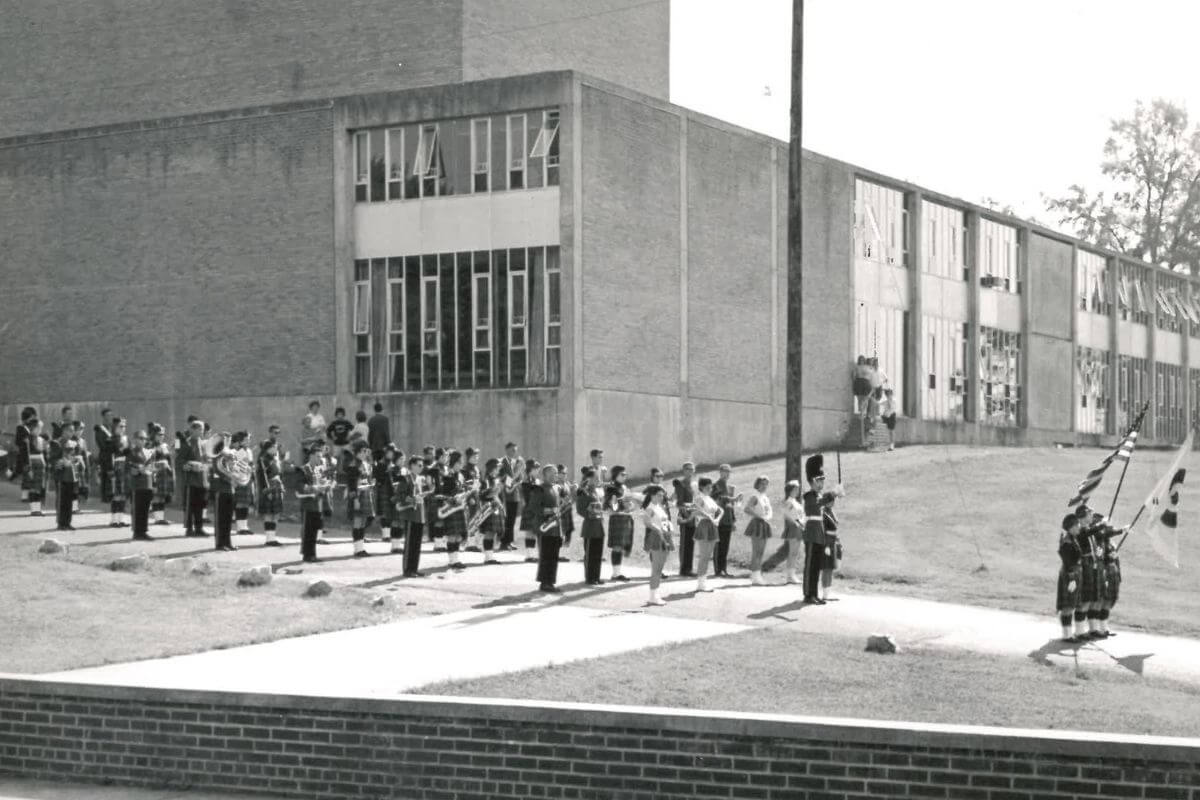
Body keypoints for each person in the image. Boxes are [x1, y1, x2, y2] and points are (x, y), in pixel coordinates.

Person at [801, 455, 843, 604]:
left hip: (818, 534)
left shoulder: (818, 495)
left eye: (822, 481)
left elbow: (826, 500)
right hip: (811, 534)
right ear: (813, 481)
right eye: (819, 481)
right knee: (810, 566)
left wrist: (836, 494)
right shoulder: (809, 496)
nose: (821, 484)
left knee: (816, 566)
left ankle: (814, 594)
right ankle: (808, 594)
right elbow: (819, 502)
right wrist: (833, 493)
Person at [530, 464, 565, 592]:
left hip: (555, 527)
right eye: (551, 474)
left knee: (554, 556)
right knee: (545, 555)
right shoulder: (539, 488)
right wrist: (550, 510)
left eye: (555, 474)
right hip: (544, 527)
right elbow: (534, 507)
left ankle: (551, 582)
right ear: (544, 475)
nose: (554, 476)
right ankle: (544, 583)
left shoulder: (557, 488)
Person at [436, 450, 469, 570]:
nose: (461, 465)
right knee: (452, 535)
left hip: (459, 507)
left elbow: (462, 489)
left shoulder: (460, 475)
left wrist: (465, 494)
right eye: (459, 462)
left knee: (458, 535)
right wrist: (454, 498)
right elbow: (443, 494)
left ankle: (456, 559)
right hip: (451, 508)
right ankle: (452, 561)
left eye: (461, 462)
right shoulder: (447, 475)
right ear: (454, 462)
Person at [642, 485, 674, 606]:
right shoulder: (651, 507)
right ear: (652, 495)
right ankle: (652, 597)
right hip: (656, 538)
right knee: (656, 569)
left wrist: (670, 529)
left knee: (659, 568)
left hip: (664, 537)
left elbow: (665, 521)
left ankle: (655, 594)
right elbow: (646, 521)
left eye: (662, 495)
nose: (662, 497)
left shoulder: (658, 506)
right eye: (659, 495)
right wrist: (658, 530)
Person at [396, 455, 428, 575]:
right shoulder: (405, 479)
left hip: (419, 515)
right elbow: (399, 496)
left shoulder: (420, 479)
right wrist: (413, 500)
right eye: (419, 465)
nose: (421, 467)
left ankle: (414, 568)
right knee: (409, 544)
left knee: (417, 544)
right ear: (412, 465)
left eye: (422, 465)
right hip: (410, 514)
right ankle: (407, 569)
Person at [296, 445, 328, 564]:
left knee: (315, 530)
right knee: (307, 530)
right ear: (311, 456)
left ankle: (312, 553)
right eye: (318, 456)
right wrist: (313, 488)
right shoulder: (303, 469)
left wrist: (326, 486)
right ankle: (306, 554)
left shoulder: (319, 470)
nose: (320, 459)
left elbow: (322, 483)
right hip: (308, 504)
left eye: (321, 456)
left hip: (317, 504)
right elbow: (300, 486)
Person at [1056, 513, 1084, 642]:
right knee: (1068, 606)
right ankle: (1066, 635)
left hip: (1075, 573)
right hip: (1069, 575)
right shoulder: (1067, 542)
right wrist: (1072, 578)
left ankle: (1069, 633)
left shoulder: (1073, 539)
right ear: (1071, 527)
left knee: (1072, 604)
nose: (1079, 527)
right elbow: (1068, 562)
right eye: (1077, 525)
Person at [604, 466, 635, 582]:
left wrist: (630, 505)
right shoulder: (611, 488)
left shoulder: (624, 487)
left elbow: (631, 503)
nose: (624, 476)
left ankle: (618, 572)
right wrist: (622, 503)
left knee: (622, 546)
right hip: (617, 518)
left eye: (625, 475)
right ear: (615, 475)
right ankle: (615, 574)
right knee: (617, 546)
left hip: (626, 518)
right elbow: (610, 505)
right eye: (622, 474)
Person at [345, 441, 376, 558]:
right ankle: (357, 549)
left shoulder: (366, 464)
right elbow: (352, 484)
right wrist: (355, 500)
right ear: (357, 452)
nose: (366, 453)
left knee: (363, 523)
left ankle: (361, 548)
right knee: (357, 522)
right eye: (363, 451)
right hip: (358, 496)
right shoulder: (353, 465)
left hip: (366, 494)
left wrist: (371, 483)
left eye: (367, 451)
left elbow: (367, 479)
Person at [179, 420, 210, 537]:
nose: (201, 431)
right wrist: (190, 465)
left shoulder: (203, 444)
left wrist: (206, 465)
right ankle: (189, 528)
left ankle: (199, 527)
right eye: (199, 429)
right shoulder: (186, 443)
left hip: (202, 479)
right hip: (191, 480)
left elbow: (207, 459)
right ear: (193, 430)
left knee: (200, 505)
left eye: (202, 429)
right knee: (190, 505)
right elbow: (180, 461)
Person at [576, 467, 606, 585]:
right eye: (595, 477)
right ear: (589, 479)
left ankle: (596, 576)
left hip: (598, 525)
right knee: (590, 553)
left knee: (598, 553)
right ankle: (589, 578)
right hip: (590, 525)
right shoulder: (584, 491)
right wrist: (589, 513)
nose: (597, 479)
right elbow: (580, 509)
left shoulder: (596, 491)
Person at [692, 478, 722, 593]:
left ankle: (703, 581)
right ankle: (700, 583)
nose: (710, 489)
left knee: (708, 555)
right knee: (704, 556)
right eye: (707, 487)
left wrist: (717, 519)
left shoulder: (709, 498)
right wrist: (709, 517)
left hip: (712, 525)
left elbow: (718, 510)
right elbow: (696, 510)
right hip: (704, 526)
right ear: (701, 487)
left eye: (711, 487)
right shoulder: (699, 498)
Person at [210, 432, 238, 552]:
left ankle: (228, 542)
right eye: (226, 439)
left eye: (229, 439)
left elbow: (233, 467)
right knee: (220, 518)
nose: (228, 441)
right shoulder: (217, 453)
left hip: (230, 488)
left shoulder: (230, 453)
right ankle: (219, 544)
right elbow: (217, 469)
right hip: (220, 488)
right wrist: (229, 478)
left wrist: (236, 473)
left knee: (228, 518)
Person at [743, 475, 773, 586]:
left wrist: (766, 518)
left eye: (766, 484)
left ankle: (756, 574)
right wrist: (758, 516)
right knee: (757, 551)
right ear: (757, 484)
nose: (764, 486)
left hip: (764, 524)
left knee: (761, 551)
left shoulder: (765, 497)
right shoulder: (755, 496)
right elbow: (747, 509)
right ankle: (755, 576)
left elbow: (768, 511)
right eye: (762, 484)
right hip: (756, 524)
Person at [712, 464, 741, 578]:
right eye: (724, 471)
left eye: (729, 472)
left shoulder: (729, 488)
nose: (727, 474)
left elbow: (730, 505)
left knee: (725, 545)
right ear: (720, 472)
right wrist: (730, 498)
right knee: (718, 545)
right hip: (719, 519)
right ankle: (718, 569)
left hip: (727, 519)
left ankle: (724, 568)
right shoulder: (716, 486)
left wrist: (733, 520)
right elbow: (715, 499)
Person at [126, 429, 155, 541]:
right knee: (137, 509)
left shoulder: (148, 452)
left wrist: (151, 469)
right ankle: (137, 532)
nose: (143, 441)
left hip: (147, 483)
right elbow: (128, 468)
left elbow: (152, 466)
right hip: (137, 484)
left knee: (145, 509)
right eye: (141, 438)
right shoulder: (131, 453)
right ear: (135, 440)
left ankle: (143, 531)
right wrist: (138, 470)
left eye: (144, 439)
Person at [256, 440, 285, 547]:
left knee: (276, 513)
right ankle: (269, 539)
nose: (276, 449)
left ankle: (273, 538)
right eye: (274, 447)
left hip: (276, 487)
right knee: (269, 513)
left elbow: (279, 473)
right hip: (268, 488)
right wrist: (266, 490)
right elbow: (262, 476)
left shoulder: (274, 459)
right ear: (268, 449)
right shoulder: (263, 460)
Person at [478, 458, 505, 564]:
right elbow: (482, 494)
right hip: (488, 507)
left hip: (495, 506)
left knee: (493, 532)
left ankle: (490, 556)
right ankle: (487, 557)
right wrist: (492, 491)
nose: (498, 470)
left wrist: (500, 504)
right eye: (497, 467)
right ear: (492, 468)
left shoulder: (496, 479)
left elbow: (496, 494)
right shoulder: (486, 480)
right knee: (489, 532)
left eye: (499, 468)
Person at [673, 462, 698, 578]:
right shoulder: (681, 484)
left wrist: (694, 512)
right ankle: (683, 569)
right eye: (687, 469)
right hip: (685, 516)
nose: (690, 471)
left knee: (691, 543)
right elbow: (679, 503)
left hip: (693, 516)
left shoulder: (693, 485)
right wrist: (688, 515)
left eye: (692, 469)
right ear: (683, 471)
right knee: (684, 543)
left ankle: (689, 568)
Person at [498, 442, 523, 552]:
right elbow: (503, 478)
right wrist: (516, 474)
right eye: (513, 450)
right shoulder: (502, 462)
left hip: (514, 495)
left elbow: (519, 478)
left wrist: (519, 472)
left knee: (512, 520)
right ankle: (503, 543)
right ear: (507, 450)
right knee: (506, 520)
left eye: (516, 450)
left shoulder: (514, 462)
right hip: (505, 495)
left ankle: (509, 541)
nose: (515, 452)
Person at [230, 431, 256, 535]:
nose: (248, 441)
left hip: (248, 479)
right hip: (240, 479)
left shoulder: (249, 451)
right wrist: (247, 467)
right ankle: (240, 527)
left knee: (246, 503)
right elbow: (238, 465)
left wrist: (252, 467)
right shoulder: (237, 451)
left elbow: (250, 463)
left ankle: (245, 526)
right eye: (246, 439)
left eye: (249, 439)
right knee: (240, 503)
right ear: (240, 441)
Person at [148, 423, 174, 526]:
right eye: (159, 434)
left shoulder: (165, 446)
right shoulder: (150, 446)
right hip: (156, 473)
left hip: (165, 473)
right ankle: (157, 518)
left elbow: (170, 458)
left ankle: (161, 518)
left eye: (162, 434)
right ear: (153, 435)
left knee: (162, 496)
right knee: (156, 496)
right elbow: (149, 461)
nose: (161, 436)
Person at [21, 418, 48, 516]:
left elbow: (45, 453)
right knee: (33, 488)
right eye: (39, 428)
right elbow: (25, 455)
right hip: (32, 465)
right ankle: (34, 509)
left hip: (41, 465)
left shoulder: (41, 439)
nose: (40, 430)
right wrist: (28, 468)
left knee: (39, 487)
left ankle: (38, 509)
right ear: (33, 428)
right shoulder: (27, 439)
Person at [107, 417, 131, 528]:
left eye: (124, 426)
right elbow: (109, 455)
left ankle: (120, 519)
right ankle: (114, 520)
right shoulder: (111, 439)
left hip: (126, 466)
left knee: (123, 494)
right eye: (121, 426)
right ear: (115, 427)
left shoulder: (126, 439)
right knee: (116, 494)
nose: (123, 428)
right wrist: (111, 469)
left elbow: (129, 453)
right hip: (117, 465)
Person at [781, 479, 804, 584]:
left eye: (797, 489)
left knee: (795, 552)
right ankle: (790, 576)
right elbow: (786, 513)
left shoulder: (796, 502)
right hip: (794, 528)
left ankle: (792, 574)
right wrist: (794, 522)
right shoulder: (789, 501)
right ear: (790, 490)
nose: (797, 490)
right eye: (795, 489)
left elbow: (801, 515)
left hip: (799, 527)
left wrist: (802, 523)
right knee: (792, 552)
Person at [518, 459, 541, 563]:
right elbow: (528, 494)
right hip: (529, 507)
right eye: (536, 469)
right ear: (530, 469)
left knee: (534, 532)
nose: (538, 471)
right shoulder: (526, 481)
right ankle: (528, 555)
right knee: (529, 532)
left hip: (536, 508)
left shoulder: (536, 480)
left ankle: (532, 554)